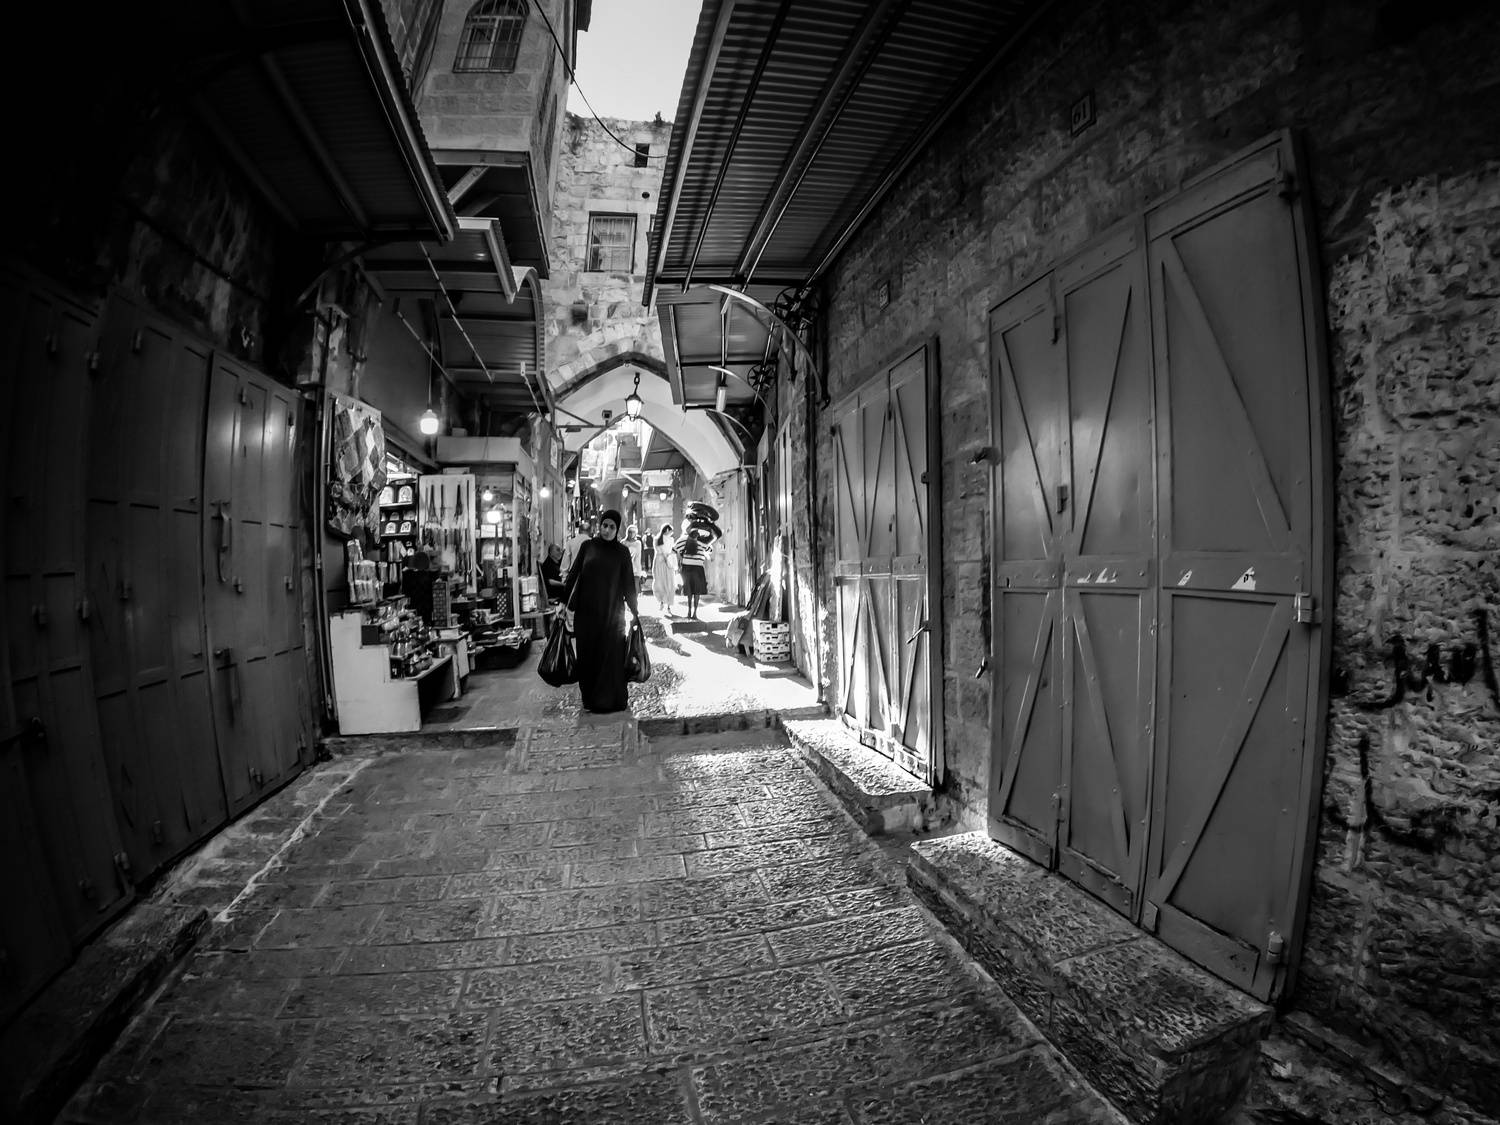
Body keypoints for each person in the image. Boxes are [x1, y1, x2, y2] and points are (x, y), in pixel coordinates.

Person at [560, 509, 639, 713]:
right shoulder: (588, 547)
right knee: (589, 657)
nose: (607, 530)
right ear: (599, 526)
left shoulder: (622, 552)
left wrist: (635, 611)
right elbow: (574, 575)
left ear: (617, 529)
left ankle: (613, 700)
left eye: (612, 527)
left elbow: (629, 583)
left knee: (612, 657)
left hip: (613, 615)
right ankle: (592, 700)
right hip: (587, 614)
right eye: (605, 525)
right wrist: (563, 602)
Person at [676, 533, 710, 620]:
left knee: (689, 591)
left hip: (687, 568)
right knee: (697, 591)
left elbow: (675, 549)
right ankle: (695, 613)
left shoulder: (684, 541)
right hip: (698, 568)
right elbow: (709, 550)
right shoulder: (702, 543)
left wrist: (682, 560)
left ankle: (689, 611)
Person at [651, 524, 677, 617]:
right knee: (666, 582)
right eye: (671, 531)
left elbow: (664, 551)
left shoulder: (659, 539)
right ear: (666, 530)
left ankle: (664, 603)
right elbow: (665, 551)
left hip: (661, 560)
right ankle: (665, 603)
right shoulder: (659, 539)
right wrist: (669, 559)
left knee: (663, 582)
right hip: (665, 561)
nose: (672, 533)